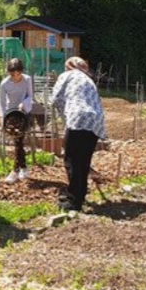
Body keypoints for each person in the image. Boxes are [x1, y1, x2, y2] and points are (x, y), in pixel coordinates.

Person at [50, 56, 106, 212]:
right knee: (83, 160)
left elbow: (55, 98)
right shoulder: (88, 80)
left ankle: (73, 201)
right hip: (95, 121)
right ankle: (79, 195)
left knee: (72, 159)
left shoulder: (67, 75)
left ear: (69, 66)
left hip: (78, 118)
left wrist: (62, 117)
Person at [0, 58, 34, 183]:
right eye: (12, 74)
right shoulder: (5, 83)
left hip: (24, 112)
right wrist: (3, 118)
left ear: (21, 72)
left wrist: (24, 103)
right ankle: (23, 168)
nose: (15, 77)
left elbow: (30, 96)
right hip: (11, 114)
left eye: (18, 74)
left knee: (19, 141)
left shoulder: (27, 79)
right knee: (18, 142)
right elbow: (2, 103)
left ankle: (15, 170)